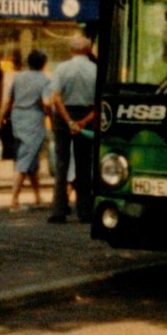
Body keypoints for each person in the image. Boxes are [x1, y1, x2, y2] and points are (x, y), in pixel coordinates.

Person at [45, 35, 97, 224]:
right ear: (89, 50)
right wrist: (83, 122)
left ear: (70, 50)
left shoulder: (62, 68)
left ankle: (58, 209)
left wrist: (68, 121)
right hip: (87, 116)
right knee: (84, 164)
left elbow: (56, 98)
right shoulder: (95, 70)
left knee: (61, 164)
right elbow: (99, 102)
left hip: (64, 116)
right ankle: (85, 210)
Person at [0, 50, 50, 211]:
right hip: (34, 119)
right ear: (43, 64)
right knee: (25, 160)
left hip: (17, 117)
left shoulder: (18, 77)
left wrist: (0, 119)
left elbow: (9, 101)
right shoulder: (44, 80)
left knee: (31, 159)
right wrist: (53, 118)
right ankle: (14, 200)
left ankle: (37, 197)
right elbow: (46, 103)